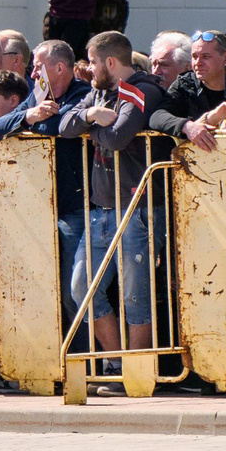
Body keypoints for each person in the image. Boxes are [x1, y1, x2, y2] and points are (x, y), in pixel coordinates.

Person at [57, 32, 167, 372]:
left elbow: (119, 137)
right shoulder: (97, 94)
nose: (88, 70)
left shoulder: (143, 89)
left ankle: (136, 371)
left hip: (139, 207)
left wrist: (90, 128)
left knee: (136, 296)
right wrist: (91, 116)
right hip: (102, 208)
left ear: (109, 62)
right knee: (82, 289)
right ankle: (118, 362)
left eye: (91, 62)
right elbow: (64, 125)